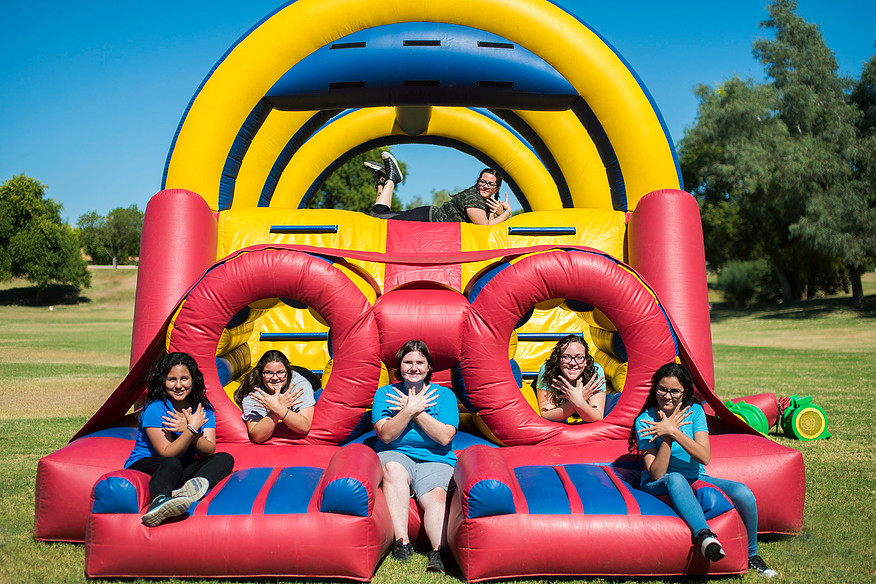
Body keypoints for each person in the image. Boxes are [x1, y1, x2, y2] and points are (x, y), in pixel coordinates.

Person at [631, 362, 778, 578]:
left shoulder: (695, 412)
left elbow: (704, 456)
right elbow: (657, 473)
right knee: (676, 478)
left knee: (744, 493)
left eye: (674, 391)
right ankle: (704, 535)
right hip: (658, 483)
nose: (667, 396)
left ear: (685, 393)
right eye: (662, 389)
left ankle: (752, 555)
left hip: (696, 477)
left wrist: (674, 432)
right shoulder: (645, 421)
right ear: (655, 389)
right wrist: (667, 439)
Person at [372, 340, 459, 573]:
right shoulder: (385, 394)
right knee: (392, 468)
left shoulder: (444, 395)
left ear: (429, 367)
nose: (414, 367)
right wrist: (407, 410)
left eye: (420, 362)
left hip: (436, 458)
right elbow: (387, 435)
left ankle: (438, 551)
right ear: (399, 367)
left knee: (437, 494)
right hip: (396, 454)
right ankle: (402, 542)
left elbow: (444, 437)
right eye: (407, 362)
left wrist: (416, 411)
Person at [124, 352, 234, 527]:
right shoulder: (156, 408)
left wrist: (191, 430)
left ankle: (187, 492)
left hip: (179, 466)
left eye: (184, 379)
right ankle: (159, 501)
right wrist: (190, 429)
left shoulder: (203, 408)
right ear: (163, 381)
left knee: (224, 458)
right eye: (171, 380)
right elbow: (167, 452)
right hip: (149, 464)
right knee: (171, 463)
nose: (178, 385)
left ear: (193, 380)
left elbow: (208, 449)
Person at [367, 151, 513, 225]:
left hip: (427, 217)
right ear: (478, 182)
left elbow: (491, 227)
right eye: (483, 181)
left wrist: (496, 211)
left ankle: (383, 180)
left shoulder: (483, 203)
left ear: (497, 188)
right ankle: (392, 179)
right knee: (377, 219)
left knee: (379, 215)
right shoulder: (474, 197)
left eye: (490, 184)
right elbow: (485, 226)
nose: (485, 186)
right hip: (426, 219)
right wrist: (507, 213)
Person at [234, 350, 316, 443]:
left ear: (287, 372)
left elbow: (304, 426)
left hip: (309, 377)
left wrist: (276, 407)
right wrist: (277, 408)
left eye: (280, 372)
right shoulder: (254, 391)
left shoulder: (299, 384)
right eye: (268, 373)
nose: (275, 378)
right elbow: (257, 436)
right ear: (261, 374)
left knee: (319, 395)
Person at [535, 334, 607, 422]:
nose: (573, 363)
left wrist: (578, 401)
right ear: (558, 360)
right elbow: (547, 415)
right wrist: (579, 399)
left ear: (586, 361)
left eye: (579, 357)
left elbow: (596, 417)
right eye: (566, 356)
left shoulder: (595, 372)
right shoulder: (548, 370)